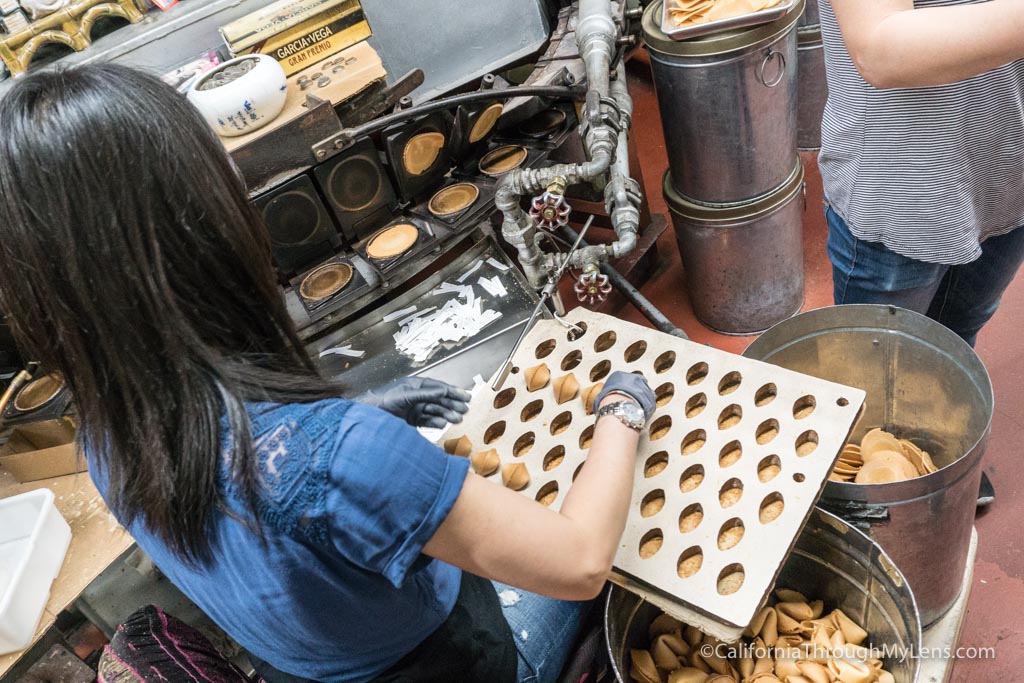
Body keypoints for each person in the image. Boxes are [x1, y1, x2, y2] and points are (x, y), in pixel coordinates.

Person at [0, 64, 657, 683]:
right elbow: (579, 561)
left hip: (318, 664)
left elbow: (265, 500)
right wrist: (621, 408)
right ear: (206, 230)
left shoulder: (105, 437)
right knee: (625, 559)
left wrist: (349, 423)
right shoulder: (345, 460)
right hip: (466, 660)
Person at [819, 0, 1024, 505]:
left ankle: (928, 457)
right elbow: (881, 47)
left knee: (957, 335)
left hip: (1007, 173)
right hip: (903, 184)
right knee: (873, 372)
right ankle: (866, 483)